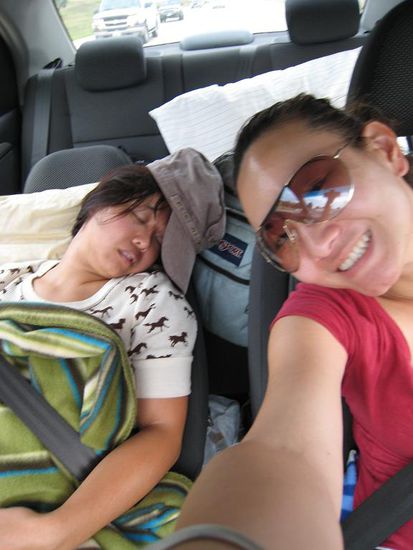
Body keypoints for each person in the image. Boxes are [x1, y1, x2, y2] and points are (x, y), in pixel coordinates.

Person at [159, 94, 413, 550]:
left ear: (384, 150)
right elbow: (284, 450)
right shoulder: (322, 315)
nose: (318, 246)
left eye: (316, 191)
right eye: (282, 237)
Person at [0, 147, 225, 550]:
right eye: (139, 216)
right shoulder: (9, 277)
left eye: (160, 240)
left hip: (61, 495)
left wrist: (57, 531)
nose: (144, 241)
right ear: (98, 202)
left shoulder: (149, 301)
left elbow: (162, 432)